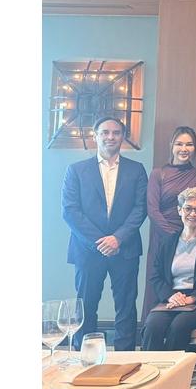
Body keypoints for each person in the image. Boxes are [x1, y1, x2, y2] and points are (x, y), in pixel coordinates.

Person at [62, 116, 149, 351]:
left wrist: (117, 238)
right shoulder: (76, 170)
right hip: (87, 249)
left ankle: (125, 358)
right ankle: (85, 356)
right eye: (105, 132)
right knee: (86, 305)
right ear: (95, 135)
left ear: (123, 137)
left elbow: (140, 208)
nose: (111, 137)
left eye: (116, 133)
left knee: (126, 306)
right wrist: (100, 242)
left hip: (125, 248)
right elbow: (70, 211)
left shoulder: (136, 170)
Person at [142, 186, 196, 351]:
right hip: (172, 299)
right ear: (179, 210)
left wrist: (193, 297)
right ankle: (152, 366)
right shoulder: (168, 241)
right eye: (188, 208)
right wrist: (170, 296)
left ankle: (175, 367)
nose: (193, 213)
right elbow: (156, 276)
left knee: (179, 326)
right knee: (152, 326)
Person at [143, 126, 196, 314]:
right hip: (164, 238)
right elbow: (152, 210)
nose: (184, 149)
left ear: (195, 148)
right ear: (171, 146)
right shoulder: (158, 173)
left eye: (189, 144)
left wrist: (189, 235)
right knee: (159, 282)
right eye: (179, 144)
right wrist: (174, 237)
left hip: (193, 237)